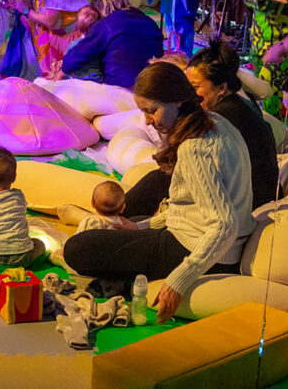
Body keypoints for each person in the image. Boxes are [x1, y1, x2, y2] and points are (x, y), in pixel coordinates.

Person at [63, 62, 254, 322]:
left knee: (78, 248)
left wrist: (178, 281)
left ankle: (124, 276)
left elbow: (224, 226)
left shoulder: (194, 149)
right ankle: (122, 233)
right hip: (199, 236)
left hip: (201, 250)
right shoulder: (215, 121)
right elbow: (189, 206)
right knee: (154, 180)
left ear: (176, 100)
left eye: (152, 111)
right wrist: (142, 228)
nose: (147, 120)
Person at [186, 43, 280, 208]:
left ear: (221, 87)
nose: (189, 94)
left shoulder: (221, 118)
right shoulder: (239, 103)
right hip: (252, 199)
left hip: (246, 208)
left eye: (195, 87)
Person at [60, 0, 164, 87]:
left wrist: (61, 72)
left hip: (120, 85)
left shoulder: (107, 23)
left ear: (101, 9)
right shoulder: (149, 21)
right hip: (152, 81)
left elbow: (81, 51)